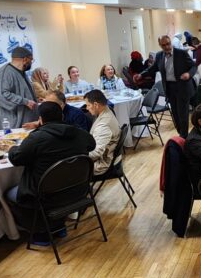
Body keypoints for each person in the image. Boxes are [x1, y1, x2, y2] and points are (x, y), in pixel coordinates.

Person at [7, 102, 96, 245]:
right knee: (55, 181)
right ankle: (58, 226)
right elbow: (92, 145)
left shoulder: (36, 138)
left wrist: (12, 148)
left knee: (10, 193)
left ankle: (41, 232)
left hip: (48, 196)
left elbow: (16, 159)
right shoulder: (78, 132)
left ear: (40, 120)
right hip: (79, 190)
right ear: (62, 116)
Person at [141, 35, 198, 136]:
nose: (167, 47)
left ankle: (183, 138)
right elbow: (153, 69)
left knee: (183, 115)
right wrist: (140, 75)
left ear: (170, 42)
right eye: (163, 45)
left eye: (168, 44)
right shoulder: (159, 56)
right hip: (170, 88)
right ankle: (181, 135)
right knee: (175, 115)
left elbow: (193, 66)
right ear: (160, 45)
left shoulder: (181, 53)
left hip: (182, 87)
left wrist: (189, 74)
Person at [0, 46, 38, 131]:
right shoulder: (5, 73)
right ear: (24, 59)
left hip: (27, 122)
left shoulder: (21, 71)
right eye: (31, 60)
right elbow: (1, 95)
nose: (31, 63)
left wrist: (35, 99)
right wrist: (25, 101)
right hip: (14, 125)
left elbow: (24, 92)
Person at [82, 90, 119, 176]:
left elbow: (96, 153)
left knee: (67, 171)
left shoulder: (103, 126)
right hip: (108, 156)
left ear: (96, 105)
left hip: (102, 164)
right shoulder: (107, 110)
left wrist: (78, 154)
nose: (87, 108)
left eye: (88, 105)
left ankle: (85, 189)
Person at [23, 90, 92, 131]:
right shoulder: (49, 112)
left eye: (51, 104)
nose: (47, 106)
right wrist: (38, 125)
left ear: (62, 104)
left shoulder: (76, 114)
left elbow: (82, 135)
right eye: (47, 103)